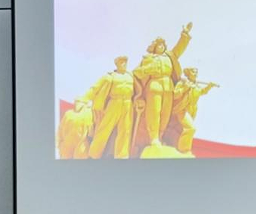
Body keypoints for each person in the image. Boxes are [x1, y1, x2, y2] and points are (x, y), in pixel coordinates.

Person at [132, 23, 192, 154]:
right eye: (158, 45)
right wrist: (148, 69)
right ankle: (153, 138)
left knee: (165, 114)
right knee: (154, 113)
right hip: (154, 86)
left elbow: (179, 48)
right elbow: (137, 72)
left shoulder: (170, 57)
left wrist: (184, 35)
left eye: (163, 45)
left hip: (168, 87)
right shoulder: (148, 58)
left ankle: (160, 136)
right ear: (154, 47)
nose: (161, 46)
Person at [84, 55, 134, 159]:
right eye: (121, 62)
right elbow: (95, 88)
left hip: (128, 103)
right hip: (115, 102)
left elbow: (138, 89)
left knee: (125, 130)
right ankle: (94, 154)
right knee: (105, 128)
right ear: (117, 64)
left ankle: (121, 155)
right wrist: (84, 98)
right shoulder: (110, 76)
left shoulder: (131, 76)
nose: (124, 64)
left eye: (125, 62)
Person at [165, 67, 218, 155]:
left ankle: (176, 146)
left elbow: (201, 92)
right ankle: (184, 150)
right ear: (188, 73)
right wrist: (185, 88)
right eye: (193, 72)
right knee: (190, 128)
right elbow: (175, 95)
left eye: (196, 72)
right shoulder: (183, 83)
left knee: (182, 129)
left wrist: (209, 87)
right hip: (182, 109)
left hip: (192, 110)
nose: (195, 74)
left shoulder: (196, 85)